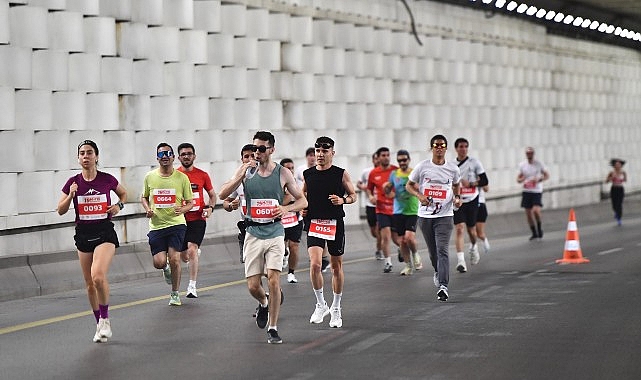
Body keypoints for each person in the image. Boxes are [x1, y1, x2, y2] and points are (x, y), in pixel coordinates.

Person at [218, 131, 307, 344]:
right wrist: (240, 175)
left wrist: (285, 209)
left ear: (271, 150)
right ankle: (264, 303)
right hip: (252, 232)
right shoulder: (245, 172)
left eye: (261, 149)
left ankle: (273, 328)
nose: (256, 153)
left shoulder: (283, 173)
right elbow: (222, 195)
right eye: (254, 148)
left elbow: (302, 202)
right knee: (253, 285)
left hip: (275, 231)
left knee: (274, 279)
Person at [57, 140, 127, 343]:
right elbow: (60, 211)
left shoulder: (107, 179)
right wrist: (71, 195)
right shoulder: (73, 182)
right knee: (89, 284)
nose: (85, 156)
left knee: (98, 276)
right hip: (83, 233)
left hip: (104, 232)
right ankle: (99, 324)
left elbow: (124, 194)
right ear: (78, 158)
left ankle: (105, 319)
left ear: (96, 156)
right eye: (82, 153)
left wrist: (118, 206)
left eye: (89, 153)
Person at [303, 136, 357, 328]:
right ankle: (320, 304)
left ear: (332, 153)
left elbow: (353, 196)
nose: (320, 154)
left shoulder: (340, 174)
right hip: (315, 222)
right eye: (318, 151)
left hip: (334, 223)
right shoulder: (307, 174)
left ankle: (336, 307)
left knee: (336, 267)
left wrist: (343, 201)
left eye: (325, 151)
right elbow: (303, 196)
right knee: (315, 264)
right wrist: (303, 208)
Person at [406, 134, 462, 301]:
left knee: (442, 250)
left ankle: (443, 286)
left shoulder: (453, 168)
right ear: (431, 148)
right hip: (425, 216)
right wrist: (420, 196)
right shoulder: (422, 167)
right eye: (436, 145)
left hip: (445, 215)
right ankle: (438, 271)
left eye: (442, 145)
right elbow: (408, 185)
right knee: (433, 253)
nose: (439, 148)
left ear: (446, 148)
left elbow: (457, 184)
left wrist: (457, 198)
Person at [141, 143, 194, 306]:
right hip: (157, 226)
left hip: (177, 224)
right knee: (159, 262)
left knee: (175, 258)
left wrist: (182, 209)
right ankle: (165, 269)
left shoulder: (182, 178)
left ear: (173, 157)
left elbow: (191, 203)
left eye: (168, 153)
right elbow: (143, 197)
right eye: (161, 154)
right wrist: (148, 209)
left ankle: (175, 294)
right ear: (157, 158)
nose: (165, 156)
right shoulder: (150, 177)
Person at [176, 143, 216, 298]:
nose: (187, 156)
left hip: (198, 219)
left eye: (189, 153)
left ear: (194, 156)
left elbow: (213, 195)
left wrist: (210, 208)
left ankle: (192, 286)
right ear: (178, 157)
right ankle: (192, 255)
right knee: (183, 255)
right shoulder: (175, 175)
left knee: (192, 249)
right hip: (180, 219)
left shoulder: (202, 175)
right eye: (183, 154)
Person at [452, 138, 488, 273]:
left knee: (472, 231)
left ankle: (473, 246)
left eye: (466, 146)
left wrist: (472, 184)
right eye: (461, 146)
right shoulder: (452, 165)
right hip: (458, 200)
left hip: (472, 199)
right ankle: (461, 261)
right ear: (456, 148)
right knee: (459, 228)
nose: (463, 149)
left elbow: (485, 180)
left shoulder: (474, 162)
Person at [385, 150, 421, 276]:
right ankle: (408, 266)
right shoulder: (394, 174)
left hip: (412, 210)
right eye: (399, 160)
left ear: (409, 160)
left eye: (404, 160)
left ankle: (416, 255)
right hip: (398, 211)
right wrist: (387, 190)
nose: (402, 162)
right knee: (402, 241)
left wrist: (416, 188)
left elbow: (420, 188)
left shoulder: (414, 173)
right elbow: (389, 192)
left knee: (409, 237)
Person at [295, 147, 331, 272]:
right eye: (310, 155)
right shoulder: (301, 170)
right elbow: (299, 188)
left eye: (313, 155)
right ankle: (316, 256)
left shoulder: (321, 169)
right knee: (312, 232)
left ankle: (322, 256)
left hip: (321, 207)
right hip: (306, 206)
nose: (312, 157)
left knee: (323, 233)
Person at [367, 147, 398, 273]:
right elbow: (369, 188)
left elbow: (403, 186)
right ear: (378, 157)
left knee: (397, 239)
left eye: (387, 155)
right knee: (385, 236)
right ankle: (388, 262)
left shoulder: (396, 170)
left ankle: (403, 250)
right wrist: (370, 196)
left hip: (396, 209)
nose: (386, 157)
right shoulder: (374, 173)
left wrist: (396, 195)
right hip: (381, 209)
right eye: (383, 155)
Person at [222, 144, 255, 263]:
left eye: (253, 155)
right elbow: (225, 201)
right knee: (251, 268)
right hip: (247, 227)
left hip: (266, 227)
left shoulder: (267, 176)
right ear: (242, 160)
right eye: (246, 156)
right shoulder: (238, 180)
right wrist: (231, 206)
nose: (250, 159)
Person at [516, 147, 549, 240]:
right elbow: (518, 179)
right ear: (526, 154)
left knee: (536, 211)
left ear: (533, 154)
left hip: (536, 190)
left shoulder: (539, 164)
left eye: (531, 153)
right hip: (527, 191)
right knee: (528, 213)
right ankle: (534, 232)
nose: (529, 155)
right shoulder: (522, 165)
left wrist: (539, 179)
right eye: (527, 153)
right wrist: (521, 179)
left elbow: (547, 175)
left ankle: (539, 228)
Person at [279, 158, 303, 284]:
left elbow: (303, 200)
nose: (291, 170)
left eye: (292, 168)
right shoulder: (277, 184)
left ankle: (291, 273)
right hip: (280, 222)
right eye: (287, 168)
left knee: (294, 247)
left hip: (295, 220)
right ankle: (284, 252)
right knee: (282, 247)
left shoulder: (298, 184)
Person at [357, 152, 383, 260]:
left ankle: (379, 250)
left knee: (378, 229)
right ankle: (383, 239)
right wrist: (366, 189)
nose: (377, 161)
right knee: (373, 231)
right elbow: (358, 183)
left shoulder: (384, 172)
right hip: (369, 205)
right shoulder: (366, 172)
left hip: (381, 205)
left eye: (378, 158)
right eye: (375, 159)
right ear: (373, 160)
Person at [605, 158, 627, 226]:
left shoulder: (623, 172)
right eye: (616, 165)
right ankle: (616, 212)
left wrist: (623, 179)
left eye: (619, 164)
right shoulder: (611, 172)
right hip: (614, 189)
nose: (618, 166)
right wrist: (611, 178)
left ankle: (619, 219)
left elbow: (625, 180)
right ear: (614, 166)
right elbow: (606, 181)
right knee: (614, 204)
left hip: (620, 189)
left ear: (621, 166)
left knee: (619, 204)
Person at [475, 185, 491, 254]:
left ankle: (485, 241)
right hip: (468, 205)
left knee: (480, 233)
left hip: (480, 204)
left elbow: (486, 189)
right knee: (472, 231)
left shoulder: (480, 175)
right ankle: (474, 249)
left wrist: (479, 182)